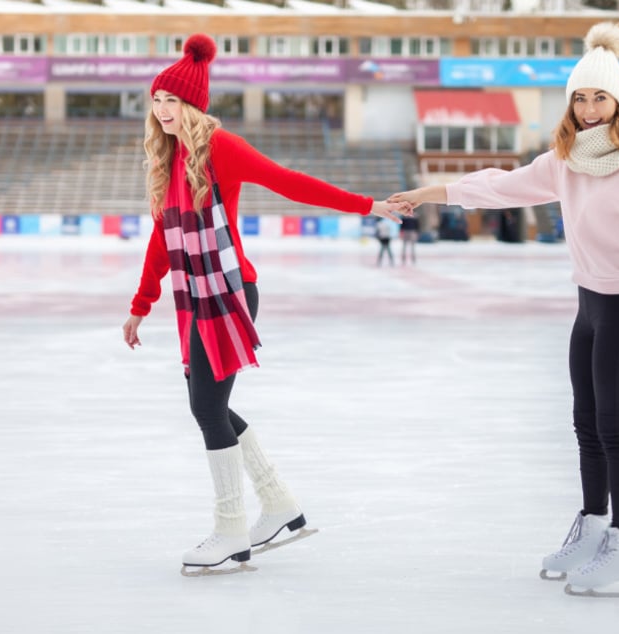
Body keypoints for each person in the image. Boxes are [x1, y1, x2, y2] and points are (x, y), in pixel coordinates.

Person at [388, 21, 619, 596]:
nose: (590, 108)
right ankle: (591, 529)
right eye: (581, 97)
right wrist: (425, 192)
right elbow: (499, 185)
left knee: (616, 431)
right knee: (586, 426)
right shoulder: (564, 161)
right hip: (589, 309)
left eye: (600, 97)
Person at [121, 34, 410, 574]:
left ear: (193, 105)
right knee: (211, 404)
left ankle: (231, 528)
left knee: (206, 407)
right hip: (195, 297)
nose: (161, 110)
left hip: (229, 293)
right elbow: (162, 241)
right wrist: (141, 303)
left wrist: (367, 204)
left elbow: (288, 182)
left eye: (172, 101)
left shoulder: (220, 149)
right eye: (156, 100)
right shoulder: (169, 159)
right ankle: (277, 503)